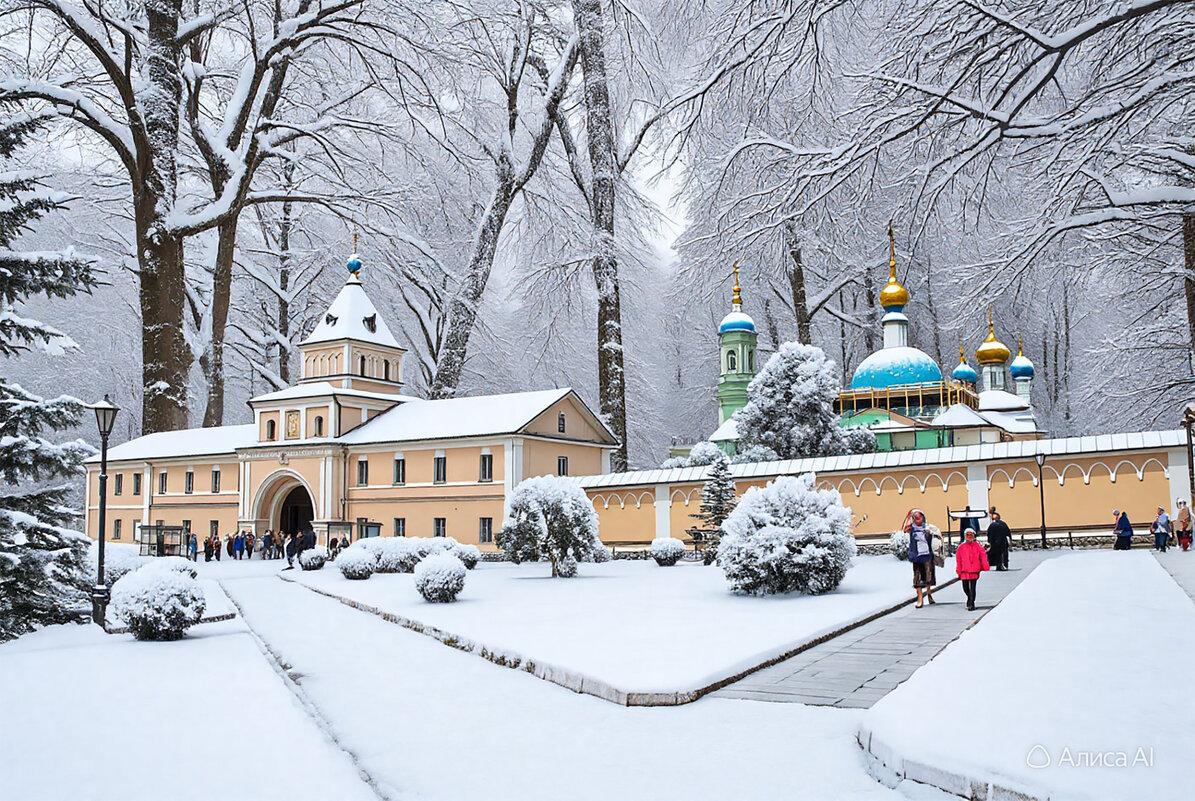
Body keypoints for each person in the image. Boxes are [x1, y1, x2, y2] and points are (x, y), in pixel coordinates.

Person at [903, 509, 938, 608]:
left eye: (918, 517)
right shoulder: (910, 529)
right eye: (915, 517)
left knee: (928, 577)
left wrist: (931, 533)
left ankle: (929, 593)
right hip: (916, 556)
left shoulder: (929, 528)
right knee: (917, 577)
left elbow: (937, 539)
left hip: (927, 555)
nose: (917, 519)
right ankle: (920, 598)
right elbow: (904, 534)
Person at [955, 527, 991, 611]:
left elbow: (983, 556)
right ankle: (969, 598)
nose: (969, 536)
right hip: (964, 571)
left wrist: (985, 565)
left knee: (973, 588)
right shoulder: (961, 547)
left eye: (971, 535)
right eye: (967, 535)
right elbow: (958, 560)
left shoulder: (977, 546)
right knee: (965, 588)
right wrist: (958, 570)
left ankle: (971, 603)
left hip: (974, 570)